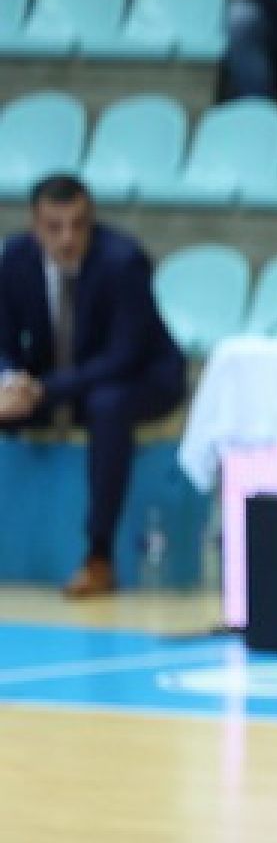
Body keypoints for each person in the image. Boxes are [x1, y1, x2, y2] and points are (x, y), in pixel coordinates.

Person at [0, 176, 187, 599]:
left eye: (78, 225)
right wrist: (10, 383)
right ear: (35, 226)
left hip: (143, 379)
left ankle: (99, 556)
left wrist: (42, 390)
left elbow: (124, 356)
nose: (67, 238)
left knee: (107, 405)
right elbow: (3, 342)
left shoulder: (123, 261)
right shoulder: (14, 258)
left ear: (91, 222)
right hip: (57, 381)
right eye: (55, 227)